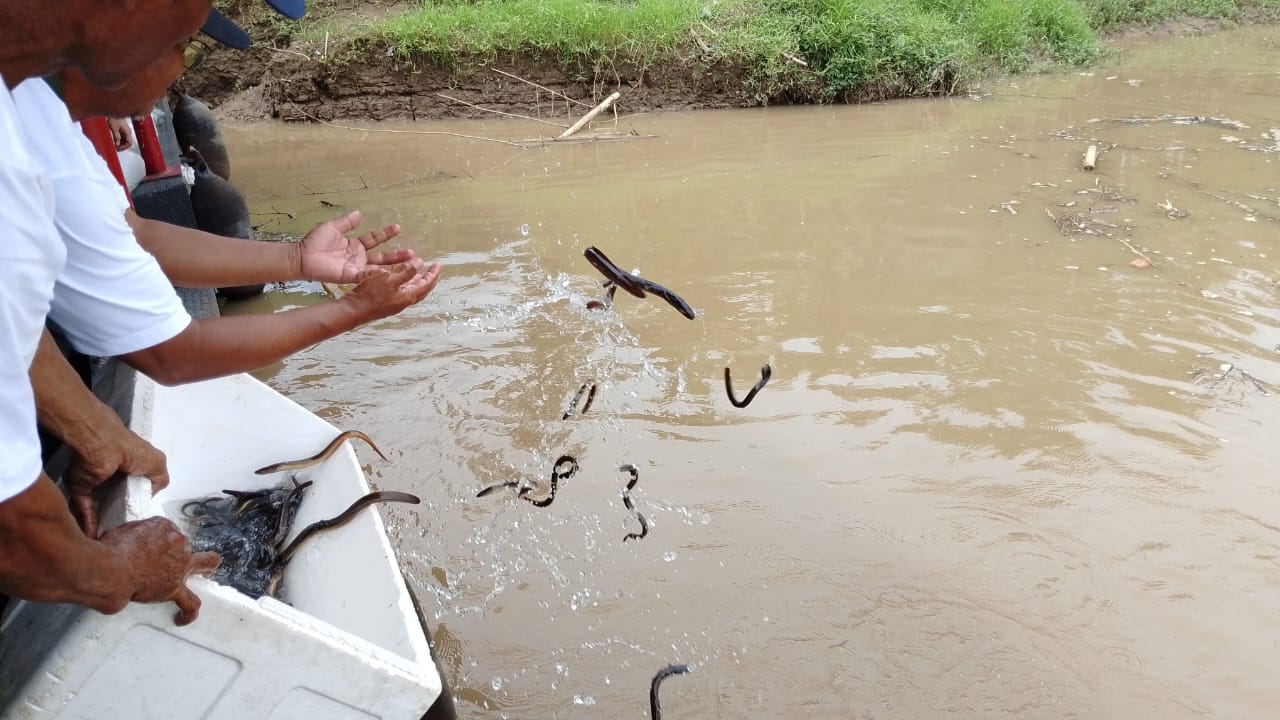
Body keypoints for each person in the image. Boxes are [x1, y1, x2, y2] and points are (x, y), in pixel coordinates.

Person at [0, 0, 298, 625]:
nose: (184, 53)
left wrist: (89, 425)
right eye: (194, 22)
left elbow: (12, 328)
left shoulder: (20, 105)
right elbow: (14, 531)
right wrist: (120, 573)